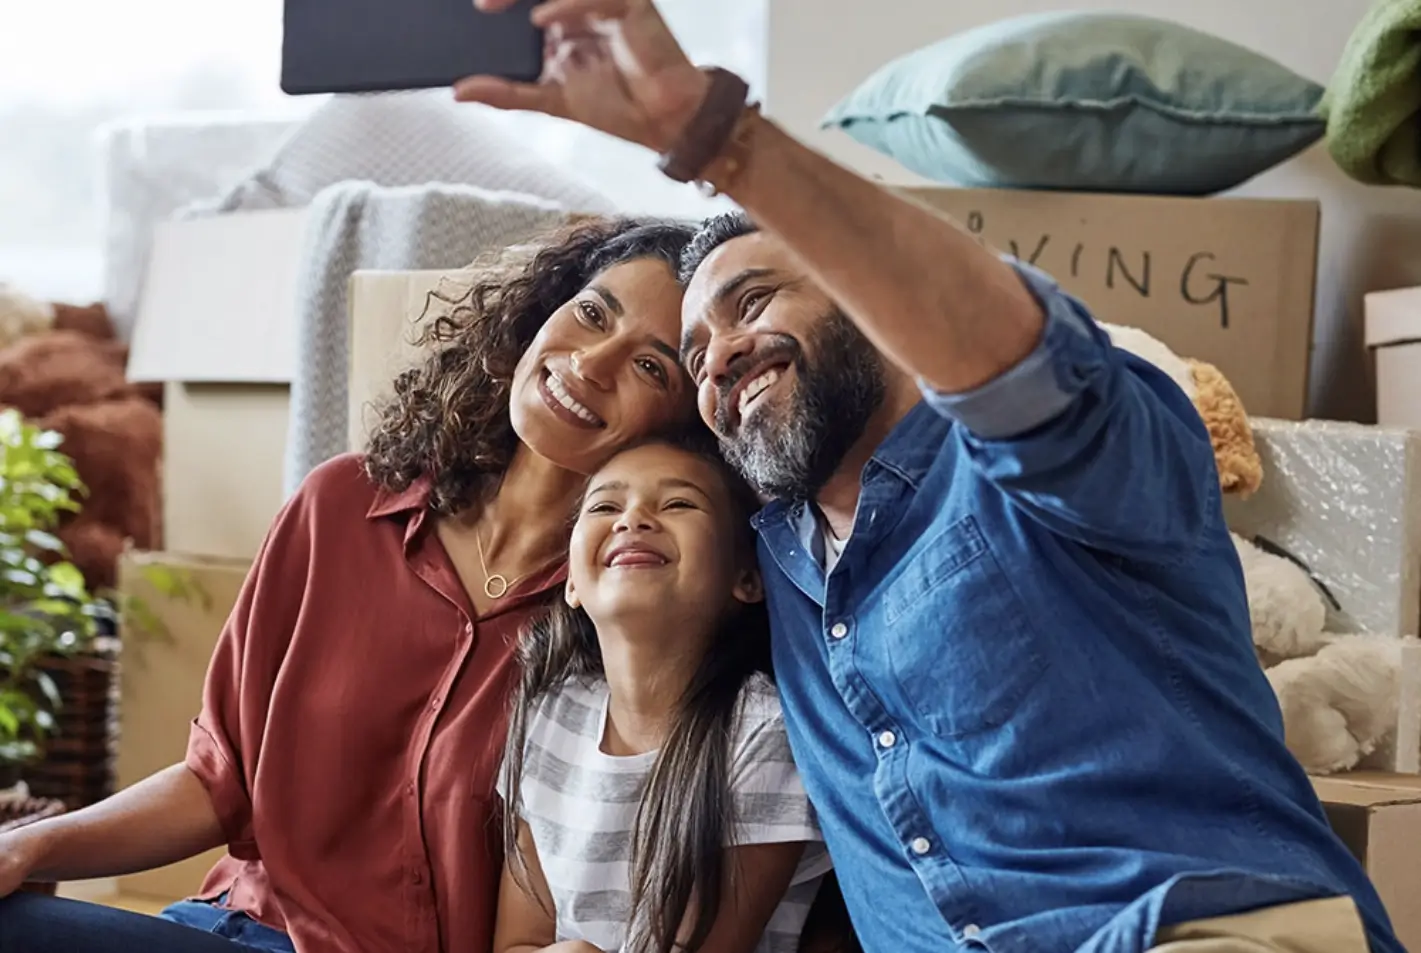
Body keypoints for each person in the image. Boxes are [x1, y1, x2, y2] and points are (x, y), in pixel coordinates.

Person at [455, 4, 1404, 953]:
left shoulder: (1049, 467)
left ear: (874, 308)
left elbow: (1020, 364)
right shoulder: (771, 558)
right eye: (694, 355)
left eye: (754, 301)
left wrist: (712, 134)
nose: (721, 356)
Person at [0, 217, 699, 953]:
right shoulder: (340, 505)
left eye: (652, 367)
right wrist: (31, 848)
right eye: (592, 312)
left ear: (688, 432)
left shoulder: (632, 620)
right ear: (543, 311)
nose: (590, 363)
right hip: (230, 925)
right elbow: (218, 781)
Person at [495, 434, 832, 953]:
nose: (633, 520)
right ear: (572, 586)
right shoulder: (549, 714)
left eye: (678, 503)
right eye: (606, 504)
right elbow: (518, 942)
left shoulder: (763, 732)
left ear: (747, 577)